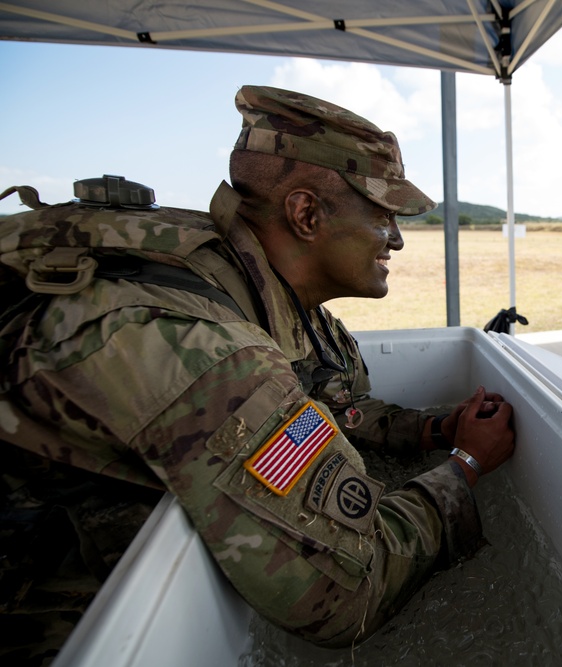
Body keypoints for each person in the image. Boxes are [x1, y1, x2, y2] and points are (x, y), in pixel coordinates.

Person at [0, 85, 516, 660]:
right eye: (383, 215)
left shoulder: (248, 282)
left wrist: (437, 430)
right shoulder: (206, 349)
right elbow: (350, 591)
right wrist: (466, 466)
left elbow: (325, 400)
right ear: (305, 213)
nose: (396, 237)